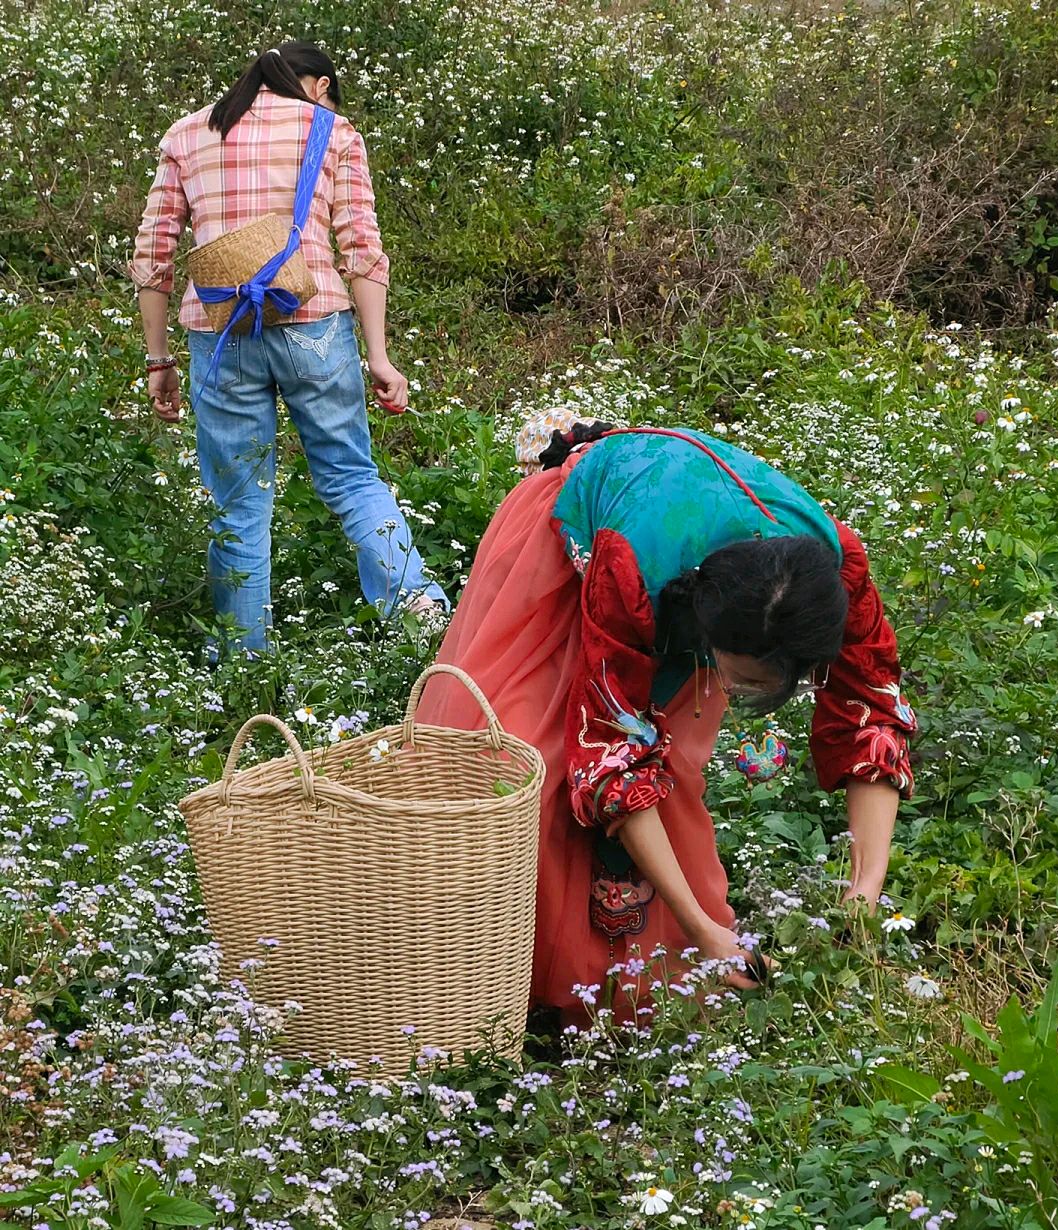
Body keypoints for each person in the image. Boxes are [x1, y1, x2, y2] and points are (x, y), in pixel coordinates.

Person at [416, 422, 916, 1020]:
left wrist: (864, 891)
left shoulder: (837, 577)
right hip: (587, 543)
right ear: (708, 629)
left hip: (684, 565)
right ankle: (497, 974)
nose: (732, 692)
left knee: (670, 768)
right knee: (525, 755)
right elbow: (612, 754)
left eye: (760, 687)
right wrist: (701, 928)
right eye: (741, 676)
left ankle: (626, 976)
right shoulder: (633, 567)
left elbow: (873, 713)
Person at [130, 41, 447, 652]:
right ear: (313, 83)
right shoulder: (332, 130)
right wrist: (378, 356)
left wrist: (158, 358)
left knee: (238, 504)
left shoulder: (187, 134)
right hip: (316, 325)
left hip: (221, 335)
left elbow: (153, 259)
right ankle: (421, 623)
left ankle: (245, 667)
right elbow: (362, 247)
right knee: (353, 480)